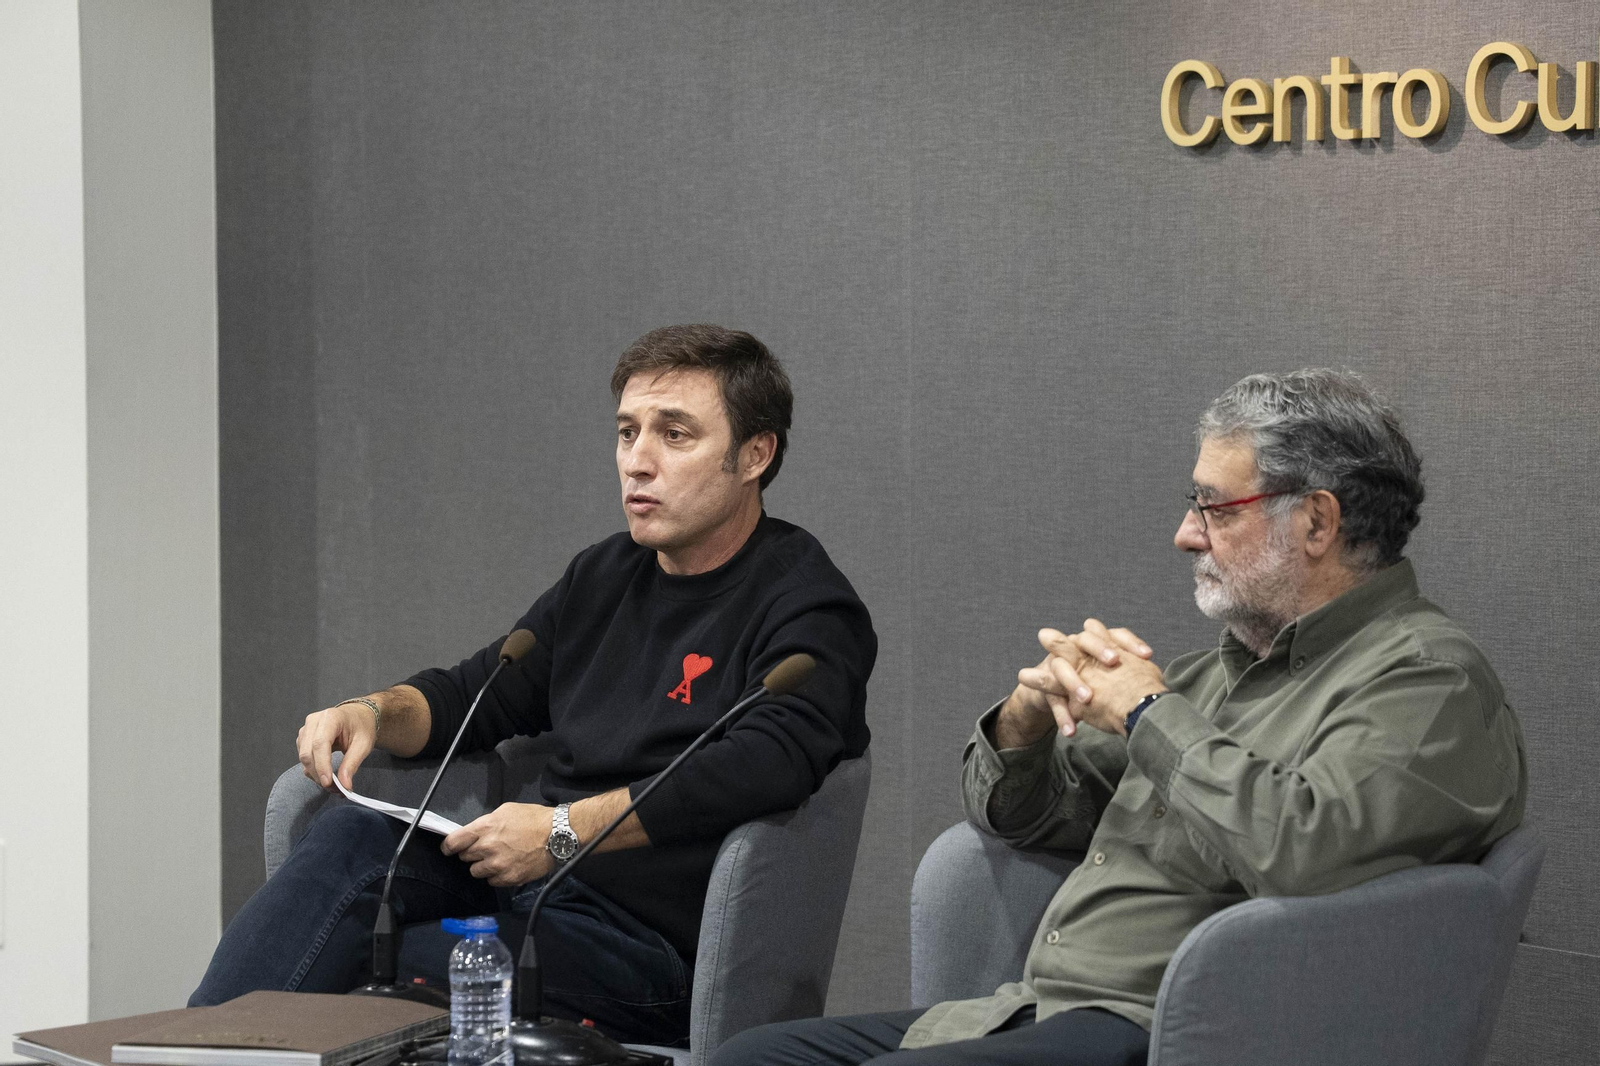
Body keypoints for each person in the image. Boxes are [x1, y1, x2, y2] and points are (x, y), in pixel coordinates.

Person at [714, 368, 1525, 1066]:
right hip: (1037, 1012)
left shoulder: (1428, 681)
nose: (1184, 535)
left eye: (1215, 507)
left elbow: (1301, 850)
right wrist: (1025, 725)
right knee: (752, 1056)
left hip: (1183, 1032)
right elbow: (1019, 817)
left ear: (1317, 521)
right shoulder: (1219, 675)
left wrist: (1147, 709)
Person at [191, 325, 877, 1048]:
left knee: (371, 965)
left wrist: (560, 834)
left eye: (674, 436)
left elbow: (763, 763)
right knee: (355, 837)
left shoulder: (808, 605)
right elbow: (477, 692)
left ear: (755, 455)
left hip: (651, 949)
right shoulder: (603, 576)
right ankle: (181, 1052)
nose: (637, 463)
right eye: (626, 432)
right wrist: (370, 711)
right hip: (525, 889)